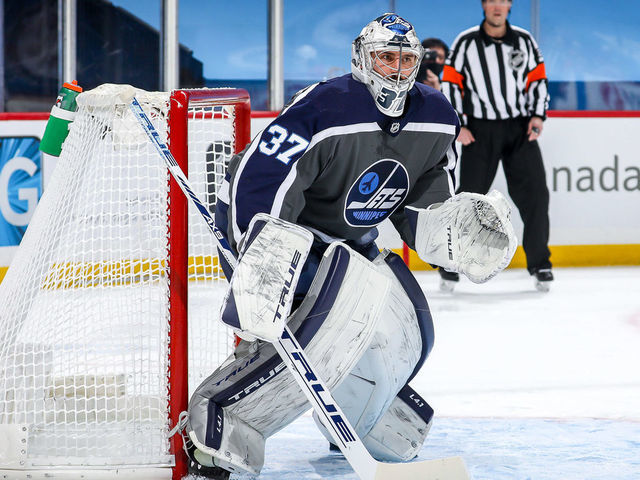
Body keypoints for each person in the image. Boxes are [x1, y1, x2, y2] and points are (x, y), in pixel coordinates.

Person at [180, 13, 516, 479]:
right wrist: (260, 260)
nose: (396, 70)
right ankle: (226, 417)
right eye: (385, 58)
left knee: (406, 325)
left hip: (345, 241)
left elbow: (419, 193)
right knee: (313, 328)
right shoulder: (325, 107)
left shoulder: (437, 117)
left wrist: (444, 232)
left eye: (404, 60)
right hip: (271, 224)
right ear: (362, 59)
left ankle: (359, 413)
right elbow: (261, 180)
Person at [441, 0, 553, 292]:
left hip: (518, 128)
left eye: (503, 0)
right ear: (484, 5)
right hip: (480, 130)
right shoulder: (465, 42)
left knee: (536, 197)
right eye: (492, 0)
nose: (497, 6)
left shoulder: (524, 40)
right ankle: (451, 265)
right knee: (468, 201)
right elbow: (451, 83)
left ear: (510, 5)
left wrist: (538, 115)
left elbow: (537, 79)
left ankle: (540, 263)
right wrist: (459, 123)